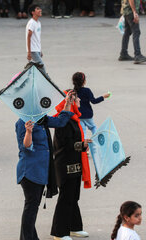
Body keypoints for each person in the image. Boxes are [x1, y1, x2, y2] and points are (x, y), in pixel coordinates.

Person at [15, 92, 75, 240]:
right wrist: (29, 131)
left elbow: (60, 122)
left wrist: (67, 103)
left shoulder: (41, 119)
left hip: (41, 171)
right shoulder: (22, 122)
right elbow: (25, 147)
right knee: (31, 208)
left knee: (32, 208)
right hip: (30, 172)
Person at [50, 91, 92, 240]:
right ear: (70, 102)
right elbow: (63, 145)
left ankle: (74, 227)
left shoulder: (74, 119)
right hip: (65, 166)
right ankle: (60, 232)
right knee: (65, 198)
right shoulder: (64, 121)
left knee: (73, 198)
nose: (79, 99)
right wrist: (82, 144)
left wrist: (83, 146)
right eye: (76, 98)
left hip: (75, 164)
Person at [72, 72, 110, 137]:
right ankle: (96, 141)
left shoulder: (73, 91)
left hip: (78, 115)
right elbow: (94, 101)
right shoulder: (87, 90)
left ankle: (84, 144)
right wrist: (103, 97)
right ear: (84, 82)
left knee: (83, 131)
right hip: (88, 114)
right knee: (93, 127)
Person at [26, 4, 46, 73]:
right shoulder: (32, 23)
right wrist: (29, 52)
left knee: (37, 68)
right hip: (33, 50)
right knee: (41, 67)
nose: (40, 10)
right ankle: (48, 81)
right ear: (33, 12)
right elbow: (28, 37)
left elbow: (37, 38)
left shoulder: (38, 23)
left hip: (37, 49)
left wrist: (40, 50)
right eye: (37, 9)